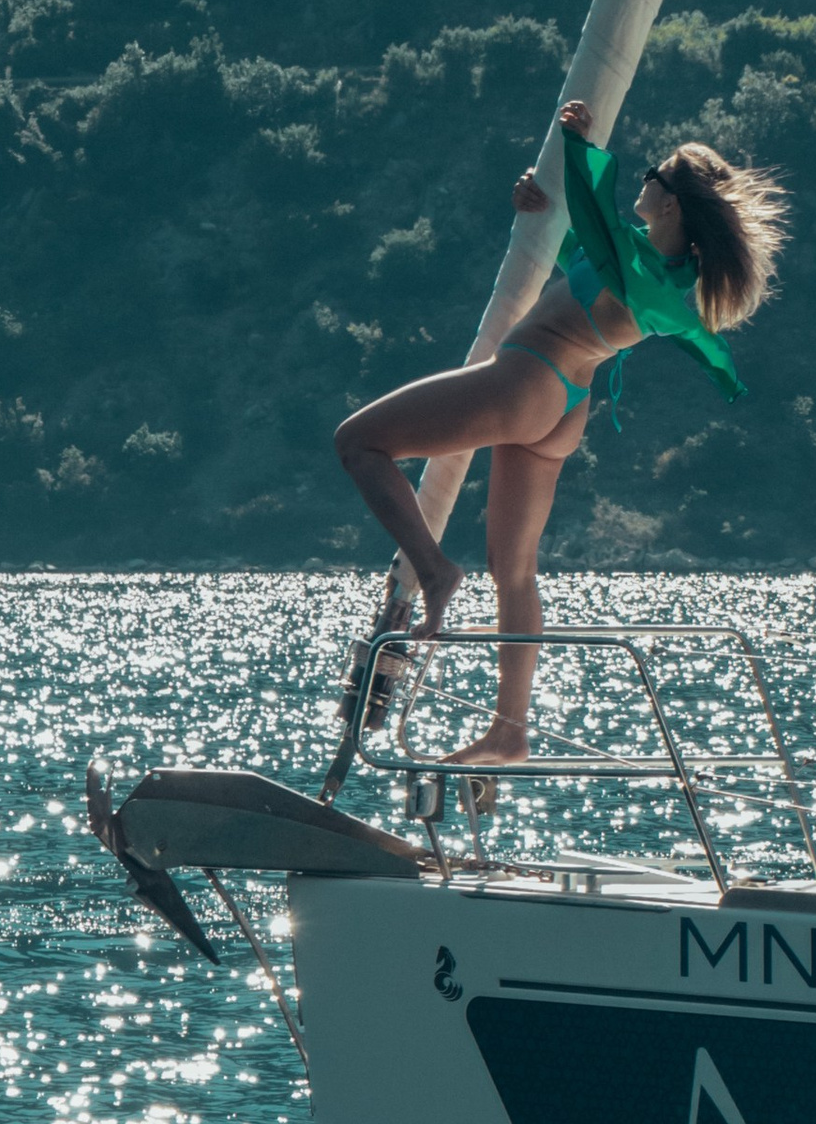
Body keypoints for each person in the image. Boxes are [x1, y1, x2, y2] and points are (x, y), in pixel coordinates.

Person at [333, 95, 788, 764]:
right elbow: (583, 246)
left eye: (654, 174)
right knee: (513, 570)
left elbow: (598, 220)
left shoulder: (647, 275)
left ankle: (433, 571)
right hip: (563, 406)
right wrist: (538, 209)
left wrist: (578, 145)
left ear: (671, 204)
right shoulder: (648, 268)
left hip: (528, 381)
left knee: (358, 442)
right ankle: (509, 733)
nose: (643, 177)